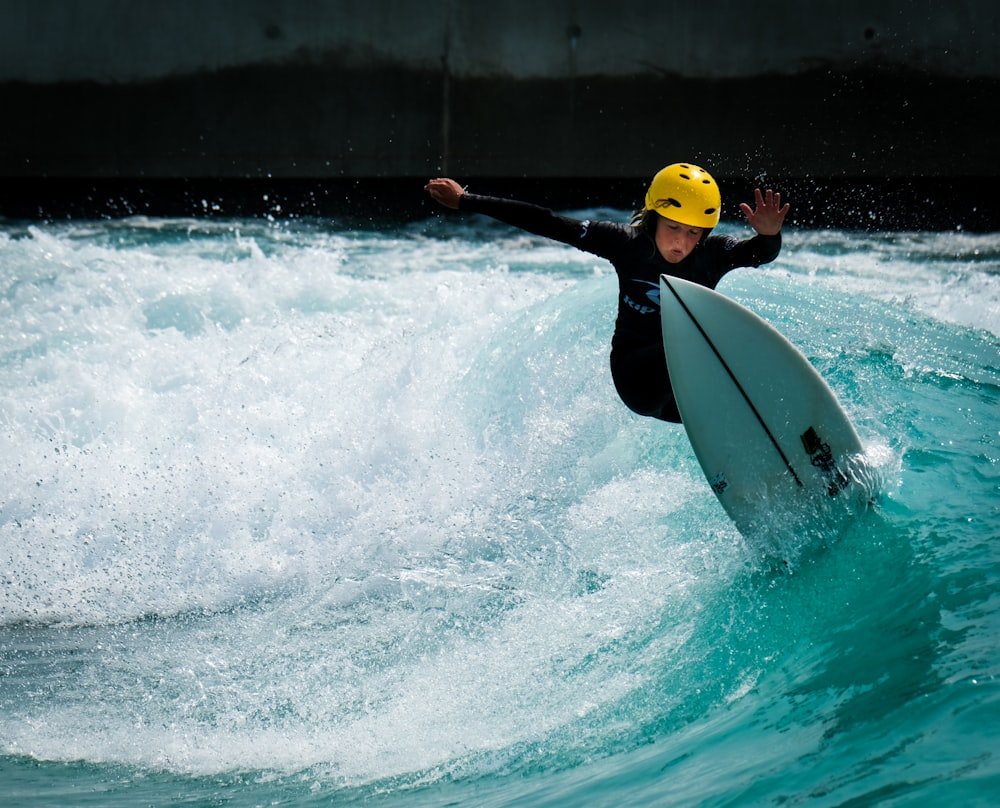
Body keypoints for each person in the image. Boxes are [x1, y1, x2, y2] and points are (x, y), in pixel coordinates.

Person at [424, 163, 789, 423]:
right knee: (707, 342)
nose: (681, 242)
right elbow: (547, 222)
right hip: (638, 376)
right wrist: (466, 201)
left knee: (737, 378)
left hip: (684, 395)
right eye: (674, 227)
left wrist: (769, 235)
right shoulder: (625, 244)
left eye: (694, 233)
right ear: (654, 217)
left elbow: (759, 253)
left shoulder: (713, 254)